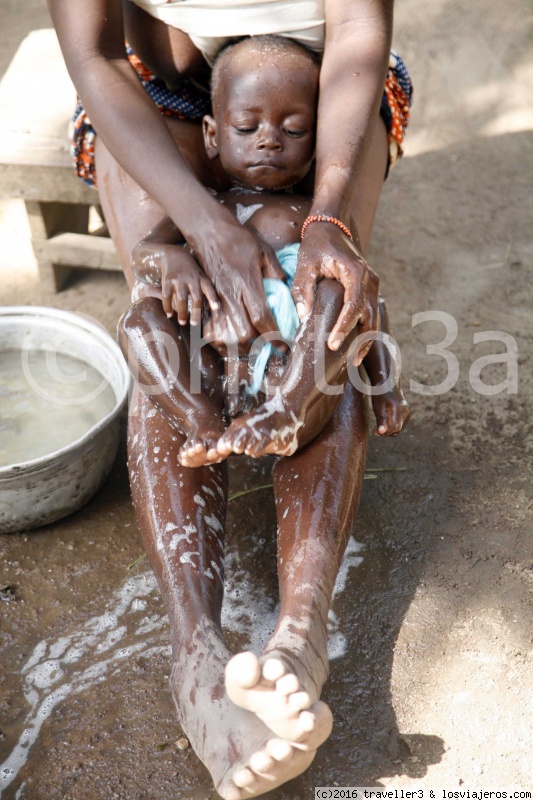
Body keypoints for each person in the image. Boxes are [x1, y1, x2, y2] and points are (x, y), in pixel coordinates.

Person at [48, 1, 413, 797]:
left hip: (324, 84)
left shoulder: (298, 113)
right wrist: (195, 228)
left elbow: (355, 33)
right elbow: (95, 53)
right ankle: (197, 658)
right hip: (153, 87)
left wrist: (327, 217)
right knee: (173, 330)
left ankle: (300, 631)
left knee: (330, 309)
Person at [118, 35, 410, 470]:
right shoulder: (207, 205)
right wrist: (171, 258)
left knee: (343, 290)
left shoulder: (315, 219)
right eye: (246, 128)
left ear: (318, 143)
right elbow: (145, 254)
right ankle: (201, 421)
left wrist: (387, 388)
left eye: (293, 130)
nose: (270, 140)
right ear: (213, 136)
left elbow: (372, 306)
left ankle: (286, 413)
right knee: (138, 321)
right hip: (213, 359)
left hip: (293, 365)